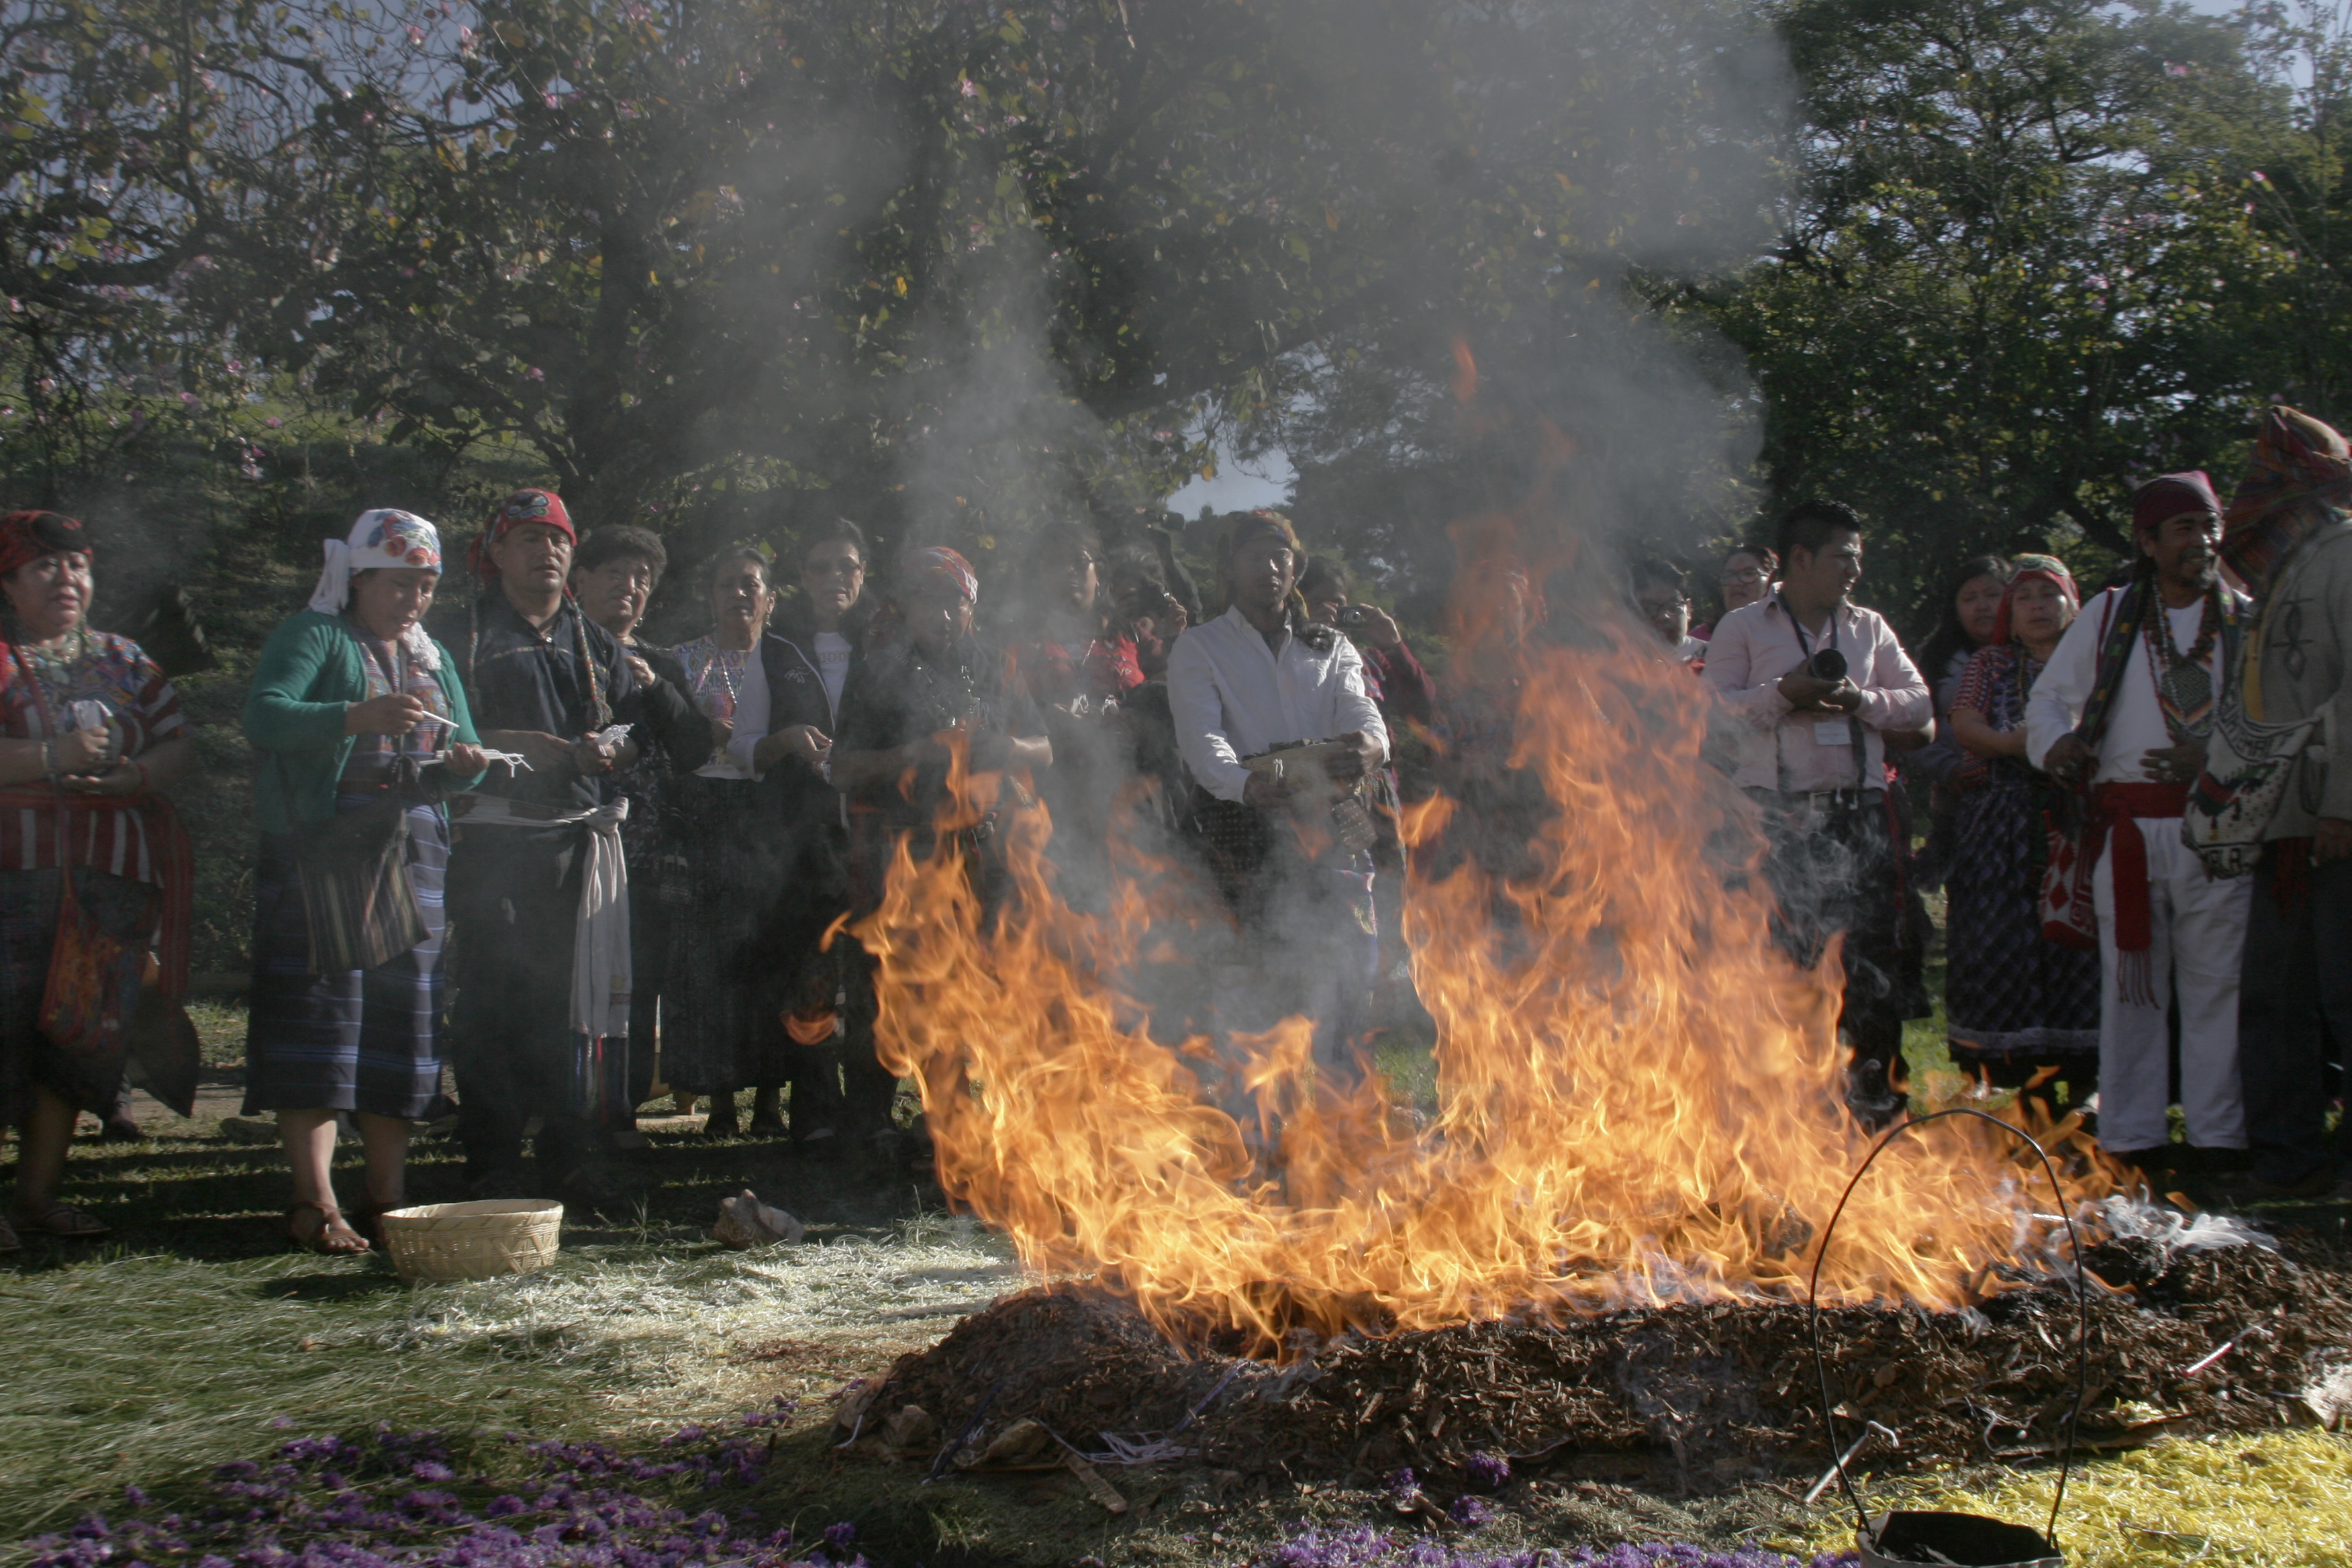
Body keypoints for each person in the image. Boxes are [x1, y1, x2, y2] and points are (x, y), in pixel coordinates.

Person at [241, 510, 491, 1251]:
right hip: (326, 847)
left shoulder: (434, 655)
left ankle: (388, 1199)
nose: (412, 598)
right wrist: (356, 716)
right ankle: (315, 1202)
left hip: (416, 849)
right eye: (398, 582)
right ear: (358, 577)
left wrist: (465, 765)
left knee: (402, 1022)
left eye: (425, 584)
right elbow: (265, 717)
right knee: (322, 1018)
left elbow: (462, 741)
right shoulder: (312, 635)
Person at [2027, 472, 2250, 1181]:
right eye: (2183, 528)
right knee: (2132, 986)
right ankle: (2132, 1136)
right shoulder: (2111, 611)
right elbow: (2049, 699)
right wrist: (2056, 745)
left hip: (2217, 828)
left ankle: (2218, 1138)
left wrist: (2213, 754)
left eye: (2208, 526)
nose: (2201, 541)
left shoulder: (2245, 615)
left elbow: (2276, 715)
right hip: (2128, 829)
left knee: (2217, 984)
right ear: (2147, 542)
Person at [441, 489, 654, 1205]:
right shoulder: (463, 633)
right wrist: (528, 747)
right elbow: (441, 728)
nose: (547, 552)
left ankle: (571, 1153)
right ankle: (493, 1156)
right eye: (529, 538)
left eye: (558, 540)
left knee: (574, 1005)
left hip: (574, 848)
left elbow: (634, 731)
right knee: (492, 1000)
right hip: (493, 841)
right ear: (496, 552)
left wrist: (609, 753)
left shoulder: (592, 640)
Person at [0, 510, 197, 1248]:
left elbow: (181, 746)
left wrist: (139, 773)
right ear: (10, 581)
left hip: (112, 874)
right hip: (11, 871)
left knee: (78, 1034)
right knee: (4, 1031)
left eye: (77, 564)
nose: (66, 579)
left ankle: (38, 1197)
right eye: (45, 566)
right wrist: (50, 754)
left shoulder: (127, 660)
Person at [1702, 500, 1931, 1128]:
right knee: (1784, 966)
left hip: (1858, 816)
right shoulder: (1745, 627)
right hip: (1774, 820)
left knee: (1870, 968)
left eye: (1857, 559)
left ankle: (1876, 1110)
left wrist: (1859, 699)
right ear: (1800, 560)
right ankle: (1788, 1117)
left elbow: (1917, 707)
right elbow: (1712, 712)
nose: (1853, 571)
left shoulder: (1868, 628)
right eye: (1843, 558)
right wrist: (1784, 694)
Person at [1165, 510, 1388, 1092]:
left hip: (1336, 811)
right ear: (1229, 570)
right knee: (1263, 967)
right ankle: (1264, 1116)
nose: (1269, 568)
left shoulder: (1331, 644)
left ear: (1295, 567)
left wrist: (1372, 745)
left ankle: (1344, 1098)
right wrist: (1244, 784)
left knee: (1354, 956)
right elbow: (1201, 739)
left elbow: (1360, 708)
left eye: (1279, 556)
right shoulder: (1200, 647)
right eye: (1254, 557)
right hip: (1244, 817)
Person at [2210, 406, 2352, 1199]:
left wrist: (2345, 805)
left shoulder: (2347, 556)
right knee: (2273, 995)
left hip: (2333, 823)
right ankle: (2289, 1160)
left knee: (2346, 994)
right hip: (2283, 824)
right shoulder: (2287, 573)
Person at [1943, 554, 2100, 1114]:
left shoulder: (2097, 660)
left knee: (2078, 945)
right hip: (2001, 825)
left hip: (2077, 824)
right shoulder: (1991, 663)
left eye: (2049, 596)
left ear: (2071, 605)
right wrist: (2023, 745)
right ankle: (2019, 1086)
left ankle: (2085, 1084)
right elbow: (1965, 725)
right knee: (1999, 944)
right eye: (2026, 598)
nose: (2037, 608)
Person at [833, 545, 1052, 922]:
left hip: (994, 842)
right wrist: (914, 754)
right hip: (910, 852)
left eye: (957, 604)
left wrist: (1008, 747)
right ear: (907, 608)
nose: (945, 617)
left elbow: (1045, 749)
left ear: (973, 606)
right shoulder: (876, 672)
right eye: (929, 603)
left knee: (1001, 965)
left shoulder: (999, 665)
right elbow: (842, 771)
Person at [752, 521, 881, 1148]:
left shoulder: (884, 644)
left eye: (848, 567)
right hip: (800, 835)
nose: (836, 578)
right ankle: (814, 1111)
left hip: (874, 831)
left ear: (864, 575)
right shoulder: (774, 645)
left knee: (872, 977)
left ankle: (870, 1112)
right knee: (812, 975)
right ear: (801, 578)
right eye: (821, 567)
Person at [570, 526, 701, 1141]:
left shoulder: (662, 662)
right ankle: (566, 1111)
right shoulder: (559, 648)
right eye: (616, 575)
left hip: (651, 853)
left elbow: (697, 746)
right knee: (566, 980)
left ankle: (620, 1114)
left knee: (639, 983)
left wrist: (653, 684)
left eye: (642, 579)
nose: (630, 587)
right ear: (581, 582)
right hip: (573, 843)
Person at [666, 545, 793, 1138]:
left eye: (752, 584)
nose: (739, 595)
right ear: (711, 596)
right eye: (727, 585)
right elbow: (669, 735)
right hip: (705, 814)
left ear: (771, 597)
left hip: (769, 816)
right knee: (710, 963)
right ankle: (719, 1101)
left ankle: (769, 1099)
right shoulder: (682, 661)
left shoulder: (788, 659)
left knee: (769, 958)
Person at [1008, 521, 1145, 903]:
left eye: (1079, 561)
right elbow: (1000, 714)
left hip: (1136, 791)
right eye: (1055, 563)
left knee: (1138, 911)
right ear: (1038, 577)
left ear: (1098, 573)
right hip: (1054, 799)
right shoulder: (1016, 645)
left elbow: (1170, 698)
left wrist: (1133, 718)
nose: (1069, 571)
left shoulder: (1134, 639)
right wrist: (1045, 716)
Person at [1630, 557, 1707, 666]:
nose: (1664, 617)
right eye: (1649, 610)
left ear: (1688, 609)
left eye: (1673, 606)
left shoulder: (1715, 658)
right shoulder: (1611, 665)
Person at [1693, 542, 1777, 640]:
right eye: (1729, 575)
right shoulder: (1699, 641)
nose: (1736, 582)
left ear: (1771, 581)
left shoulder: (1790, 633)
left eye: (1749, 574)